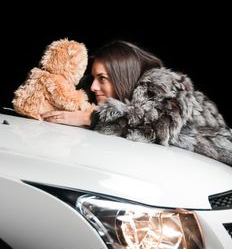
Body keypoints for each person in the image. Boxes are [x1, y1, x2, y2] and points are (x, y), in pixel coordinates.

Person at [42, 40, 232, 166]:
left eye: (102, 78)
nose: (93, 87)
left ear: (121, 77)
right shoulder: (116, 98)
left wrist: (90, 117)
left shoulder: (163, 85)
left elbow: (151, 125)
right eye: (93, 78)